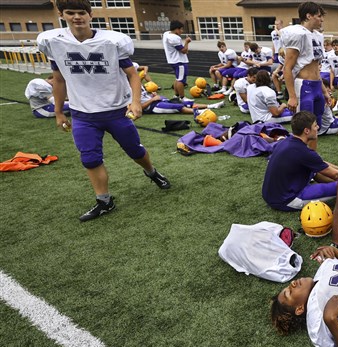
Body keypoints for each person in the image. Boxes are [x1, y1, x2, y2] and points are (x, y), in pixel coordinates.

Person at [37, 0, 170, 222]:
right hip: (82, 113)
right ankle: (104, 201)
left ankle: (152, 172)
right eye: (71, 13)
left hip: (115, 110)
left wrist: (136, 101)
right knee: (89, 158)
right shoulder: (54, 42)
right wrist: (59, 111)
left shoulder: (110, 41)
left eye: (81, 12)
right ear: (61, 14)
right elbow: (59, 80)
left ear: (90, 15)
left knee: (135, 151)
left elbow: (133, 74)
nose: (76, 17)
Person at [280, 2, 336, 146]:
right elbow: (287, 68)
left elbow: (316, 68)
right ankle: (298, 160)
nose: (321, 20)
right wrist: (292, 96)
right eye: (319, 16)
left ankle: (311, 158)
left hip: (317, 86)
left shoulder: (317, 36)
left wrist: (324, 91)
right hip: (303, 86)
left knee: (314, 128)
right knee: (302, 130)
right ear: (308, 16)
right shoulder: (298, 34)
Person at [262, 111, 338, 211]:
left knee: (317, 169)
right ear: (306, 131)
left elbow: (320, 164)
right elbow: (336, 175)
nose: (318, 127)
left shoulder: (286, 141)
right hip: (287, 200)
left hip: (272, 195)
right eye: (315, 126)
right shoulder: (303, 152)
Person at [140, 85, 224, 114]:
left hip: (155, 101)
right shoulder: (131, 89)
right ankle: (200, 111)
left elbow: (143, 97)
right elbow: (139, 107)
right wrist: (152, 99)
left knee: (186, 103)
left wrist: (152, 96)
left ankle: (212, 106)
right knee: (177, 106)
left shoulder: (137, 84)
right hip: (152, 107)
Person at [162, 20, 192, 101]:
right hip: (179, 61)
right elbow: (184, 51)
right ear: (176, 29)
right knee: (181, 80)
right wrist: (187, 42)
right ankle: (182, 97)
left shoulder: (166, 34)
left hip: (173, 60)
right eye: (181, 29)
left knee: (178, 78)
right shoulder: (174, 38)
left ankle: (176, 95)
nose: (182, 31)